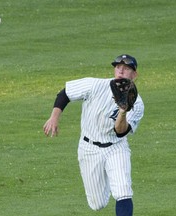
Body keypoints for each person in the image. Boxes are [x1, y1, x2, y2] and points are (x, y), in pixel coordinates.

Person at [43, 54, 144, 216]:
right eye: (118, 67)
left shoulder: (137, 104)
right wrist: (54, 117)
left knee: (123, 190)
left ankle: (117, 183)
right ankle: (110, 184)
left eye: (126, 69)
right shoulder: (95, 85)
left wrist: (123, 112)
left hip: (116, 148)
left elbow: (120, 132)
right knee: (97, 204)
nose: (121, 71)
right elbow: (65, 94)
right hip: (88, 148)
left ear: (134, 75)